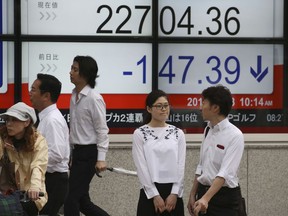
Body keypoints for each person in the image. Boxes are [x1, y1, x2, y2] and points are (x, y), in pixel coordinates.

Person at [187, 85, 245, 216]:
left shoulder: (235, 135)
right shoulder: (208, 130)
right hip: (203, 193)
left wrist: (206, 199)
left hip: (225, 198)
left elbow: (225, 173)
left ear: (215, 108)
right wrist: (193, 194)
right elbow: (201, 165)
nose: (200, 107)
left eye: (203, 103)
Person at [64, 55, 110, 216]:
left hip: (89, 154)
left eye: (75, 69)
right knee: (82, 201)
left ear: (85, 74)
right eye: (71, 68)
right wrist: (70, 153)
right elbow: (75, 129)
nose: (71, 72)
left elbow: (102, 129)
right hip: (77, 153)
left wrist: (101, 158)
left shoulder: (94, 98)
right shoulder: (73, 95)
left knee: (70, 199)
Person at [132, 89, 186, 216]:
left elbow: (180, 165)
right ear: (149, 109)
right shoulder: (140, 133)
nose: (163, 109)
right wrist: (154, 195)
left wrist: (174, 193)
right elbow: (141, 167)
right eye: (159, 106)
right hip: (149, 192)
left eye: (166, 105)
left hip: (173, 192)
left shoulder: (178, 133)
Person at [29, 73, 70, 216]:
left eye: (33, 89)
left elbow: (56, 154)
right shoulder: (44, 117)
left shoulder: (52, 120)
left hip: (54, 181)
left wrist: (33, 163)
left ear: (46, 96)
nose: (30, 93)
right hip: (48, 179)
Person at [0, 102, 48, 216]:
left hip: (31, 194)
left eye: (14, 120)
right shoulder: (3, 138)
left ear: (26, 122)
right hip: (8, 192)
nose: (9, 124)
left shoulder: (38, 141)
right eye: (7, 120)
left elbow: (38, 166)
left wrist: (35, 186)